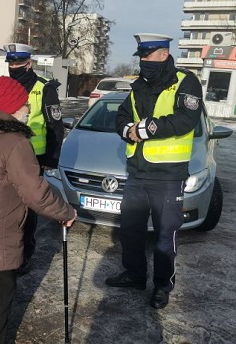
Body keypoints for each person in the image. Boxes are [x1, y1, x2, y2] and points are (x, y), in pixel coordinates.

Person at [0, 76, 76, 344]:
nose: (29, 109)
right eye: (24, 104)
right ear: (13, 107)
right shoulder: (15, 143)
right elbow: (35, 193)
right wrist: (66, 212)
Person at [105, 33, 203, 309]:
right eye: (142, 57)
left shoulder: (186, 82)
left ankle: (162, 285)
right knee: (131, 230)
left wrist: (147, 129)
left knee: (164, 236)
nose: (144, 62)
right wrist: (127, 130)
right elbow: (122, 116)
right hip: (137, 172)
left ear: (163, 54)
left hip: (169, 176)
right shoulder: (138, 86)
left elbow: (186, 120)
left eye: (148, 56)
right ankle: (135, 275)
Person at [3, 43, 65, 275]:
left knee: (28, 208)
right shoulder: (5, 86)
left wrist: (51, 158)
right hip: (7, 156)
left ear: (29, 64)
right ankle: (9, 247)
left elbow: (55, 126)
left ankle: (25, 254)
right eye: (11, 63)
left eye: (18, 63)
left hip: (33, 158)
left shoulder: (44, 88)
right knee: (8, 204)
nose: (14, 67)